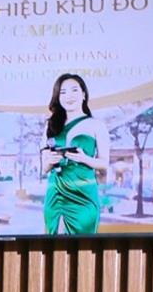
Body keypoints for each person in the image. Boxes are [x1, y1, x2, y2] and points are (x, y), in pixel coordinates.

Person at [40, 73, 109, 235]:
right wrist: (50, 161)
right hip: (56, 192)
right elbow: (44, 168)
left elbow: (104, 164)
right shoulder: (51, 125)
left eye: (74, 90)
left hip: (84, 194)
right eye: (63, 92)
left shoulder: (96, 125)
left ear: (83, 94)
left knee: (83, 247)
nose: (68, 96)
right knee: (54, 245)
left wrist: (85, 159)